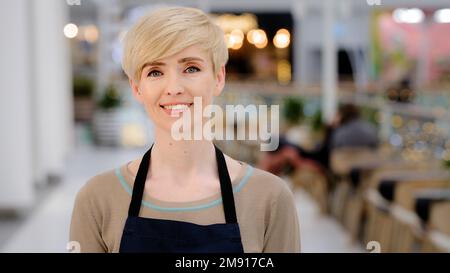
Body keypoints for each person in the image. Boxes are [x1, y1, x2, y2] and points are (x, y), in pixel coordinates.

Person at [69, 6, 300, 253]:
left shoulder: (270, 198)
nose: (174, 88)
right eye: (155, 72)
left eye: (191, 68)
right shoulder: (98, 199)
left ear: (219, 78)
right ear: (137, 88)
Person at [259, 103, 379, 176]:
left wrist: (330, 128)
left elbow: (327, 150)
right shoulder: (370, 130)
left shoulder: (340, 132)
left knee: (279, 141)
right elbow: (376, 147)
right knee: (281, 143)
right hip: (360, 167)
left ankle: (263, 173)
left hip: (325, 161)